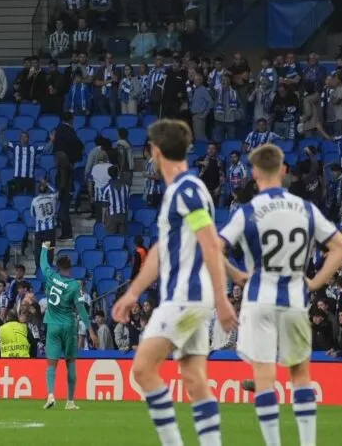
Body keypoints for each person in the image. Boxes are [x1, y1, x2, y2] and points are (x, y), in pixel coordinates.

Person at [112, 119, 237, 446]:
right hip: (197, 298)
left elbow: (210, 241)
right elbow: (162, 250)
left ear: (156, 151)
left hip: (185, 296)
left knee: (142, 369)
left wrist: (224, 301)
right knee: (194, 380)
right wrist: (133, 292)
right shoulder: (190, 190)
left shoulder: (184, 190)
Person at [222, 144, 342, 446]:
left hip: (258, 299)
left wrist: (236, 275)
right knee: (300, 374)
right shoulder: (305, 209)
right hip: (294, 298)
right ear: (283, 170)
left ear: (254, 174)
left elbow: (213, 248)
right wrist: (316, 281)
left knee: (264, 375)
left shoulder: (248, 211)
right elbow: (341, 248)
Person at [38, 241, 86, 410]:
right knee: (70, 362)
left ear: (57, 266)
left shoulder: (51, 276)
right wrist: (90, 329)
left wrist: (44, 248)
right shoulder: (75, 285)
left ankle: (51, 395)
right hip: (69, 325)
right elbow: (81, 308)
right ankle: (70, 402)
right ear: (70, 266)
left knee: (51, 364)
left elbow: (43, 263)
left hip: (52, 325)